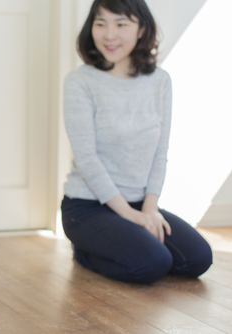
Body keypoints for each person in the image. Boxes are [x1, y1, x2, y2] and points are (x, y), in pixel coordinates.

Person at [61, 0, 212, 284]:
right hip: (86, 207)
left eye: (121, 24)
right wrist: (129, 215)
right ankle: (84, 251)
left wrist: (149, 210)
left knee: (197, 258)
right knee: (153, 263)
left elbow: (160, 152)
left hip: (140, 203)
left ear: (142, 28)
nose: (109, 34)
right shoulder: (80, 81)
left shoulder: (160, 81)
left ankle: (131, 242)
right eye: (100, 23)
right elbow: (86, 157)